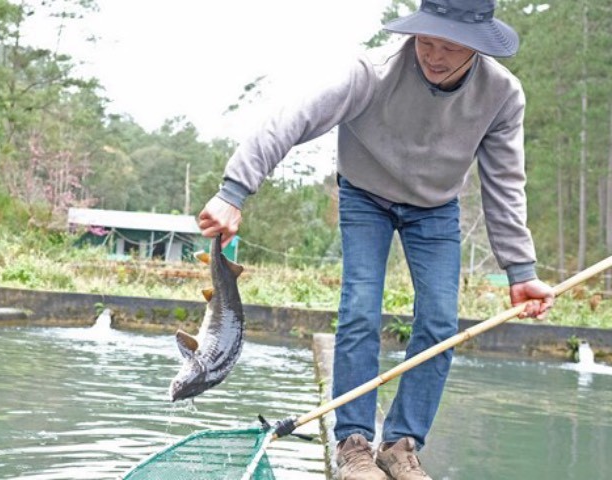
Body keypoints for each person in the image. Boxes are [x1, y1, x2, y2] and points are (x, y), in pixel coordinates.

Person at [197, 1, 556, 479]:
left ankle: (402, 444)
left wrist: (521, 270)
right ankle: (355, 444)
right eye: (427, 40)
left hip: (435, 208)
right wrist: (233, 192)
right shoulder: (374, 72)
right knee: (361, 308)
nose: (434, 55)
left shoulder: (502, 95)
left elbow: (505, 184)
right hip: (365, 194)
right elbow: (291, 119)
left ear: (477, 46)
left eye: (450, 46)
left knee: (439, 321)